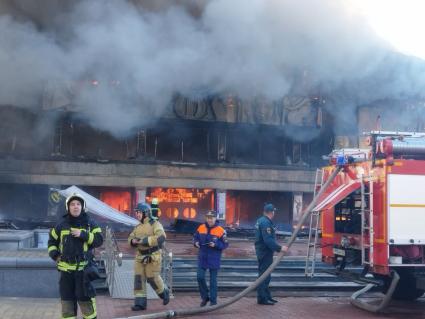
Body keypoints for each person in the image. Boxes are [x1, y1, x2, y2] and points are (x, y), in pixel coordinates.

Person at [48, 193, 103, 319]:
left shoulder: (90, 223)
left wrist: (84, 234)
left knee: (87, 307)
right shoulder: (61, 224)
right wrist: (55, 255)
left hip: (83, 273)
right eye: (72, 204)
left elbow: (99, 240)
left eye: (78, 204)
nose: (75, 207)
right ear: (68, 207)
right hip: (65, 273)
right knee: (67, 307)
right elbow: (52, 241)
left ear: (82, 206)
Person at [128, 203, 170, 311]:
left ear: (146, 213)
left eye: (138, 212)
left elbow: (161, 237)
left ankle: (164, 293)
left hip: (153, 256)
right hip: (140, 256)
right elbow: (130, 238)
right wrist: (133, 241)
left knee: (152, 278)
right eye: (136, 212)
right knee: (138, 279)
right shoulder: (137, 227)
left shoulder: (155, 224)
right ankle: (140, 303)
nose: (137, 214)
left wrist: (144, 241)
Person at [193, 210, 228, 307]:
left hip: (214, 258)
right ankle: (205, 297)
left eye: (211, 218)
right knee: (200, 277)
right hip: (203, 257)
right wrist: (195, 243)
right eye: (208, 217)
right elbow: (195, 237)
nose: (209, 219)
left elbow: (225, 244)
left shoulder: (221, 230)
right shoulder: (201, 227)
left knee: (213, 281)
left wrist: (216, 244)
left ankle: (213, 301)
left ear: (215, 218)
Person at [254, 203, 287, 305]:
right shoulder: (265, 223)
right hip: (265, 252)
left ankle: (266, 296)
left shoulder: (261, 220)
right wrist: (280, 248)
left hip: (262, 251)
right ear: (271, 212)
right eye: (274, 212)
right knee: (264, 275)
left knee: (265, 275)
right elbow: (268, 240)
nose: (274, 213)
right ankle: (262, 298)